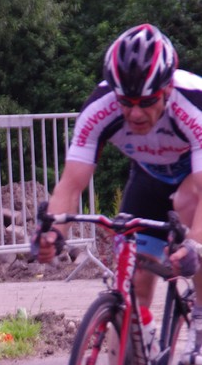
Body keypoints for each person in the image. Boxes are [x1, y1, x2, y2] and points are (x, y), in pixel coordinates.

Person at [37, 23, 202, 346]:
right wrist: (54, 232)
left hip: (194, 180)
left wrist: (194, 245)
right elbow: (70, 184)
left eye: (146, 101)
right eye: (126, 101)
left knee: (188, 212)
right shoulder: (100, 108)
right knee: (134, 284)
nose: (135, 113)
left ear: (167, 89)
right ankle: (138, 358)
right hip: (150, 177)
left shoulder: (193, 104)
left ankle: (200, 315)